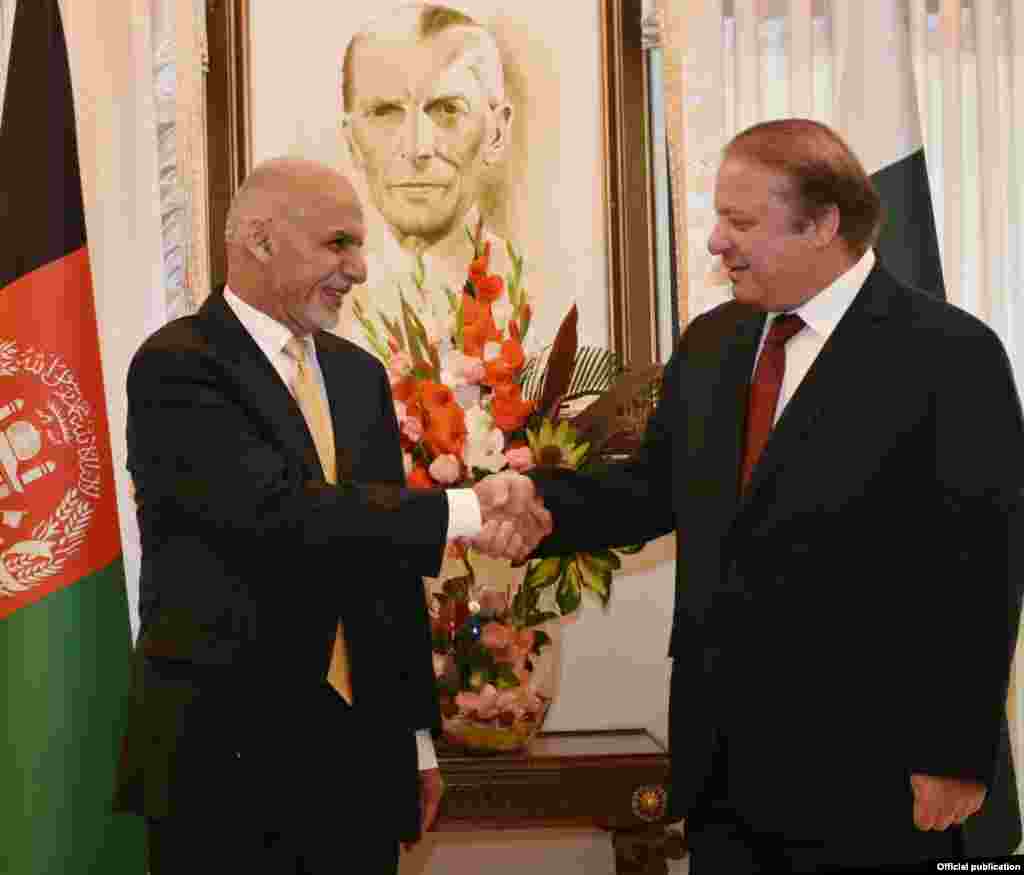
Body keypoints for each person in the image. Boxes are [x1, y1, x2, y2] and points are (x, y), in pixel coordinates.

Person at [529, 119, 1024, 872]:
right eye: (717, 217)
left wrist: (954, 754)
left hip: (880, 784)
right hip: (725, 775)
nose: (716, 242)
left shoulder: (950, 355)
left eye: (740, 221)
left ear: (823, 223)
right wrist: (514, 507)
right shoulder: (712, 343)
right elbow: (650, 491)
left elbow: (984, 568)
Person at [112, 157, 550, 875]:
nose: (358, 268)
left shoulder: (356, 376)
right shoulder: (177, 366)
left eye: (358, 245)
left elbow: (385, 569)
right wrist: (470, 506)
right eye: (337, 243)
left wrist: (413, 740)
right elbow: (283, 512)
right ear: (258, 241)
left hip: (356, 762)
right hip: (223, 766)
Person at [339, 2, 517, 354]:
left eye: (448, 110)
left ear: (496, 133)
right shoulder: (316, 313)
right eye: (385, 112)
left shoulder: (542, 292)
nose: (417, 147)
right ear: (352, 141)